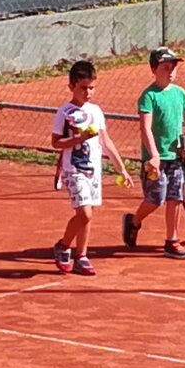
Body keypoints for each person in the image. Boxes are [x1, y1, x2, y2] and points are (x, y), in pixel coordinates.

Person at [51, 60, 133, 276]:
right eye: (83, 88)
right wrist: (81, 137)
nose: (88, 92)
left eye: (91, 88)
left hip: (93, 171)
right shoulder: (64, 113)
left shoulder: (96, 111)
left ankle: (82, 256)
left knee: (88, 214)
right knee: (84, 213)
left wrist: (121, 169)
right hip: (73, 170)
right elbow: (56, 143)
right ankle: (63, 246)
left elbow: (106, 142)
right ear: (71, 87)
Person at [121, 46, 185, 260]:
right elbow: (145, 128)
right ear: (154, 69)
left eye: (173, 67)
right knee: (156, 199)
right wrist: (153, 155)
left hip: (176, 157)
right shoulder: (148, 96)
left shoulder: (180, 93)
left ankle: (172, 241)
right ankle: (134, 221)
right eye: (165, 67)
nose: (170, 71)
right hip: (154, 160)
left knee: (175, 197)